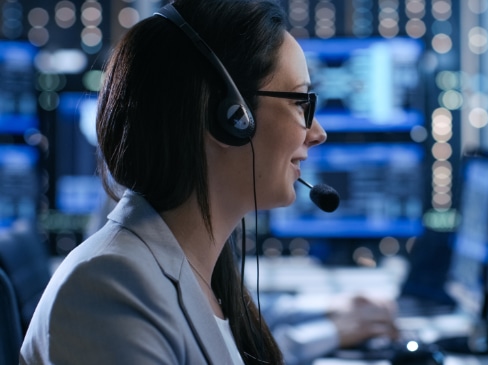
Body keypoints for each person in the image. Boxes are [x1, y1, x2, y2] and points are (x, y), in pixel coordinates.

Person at [18, 0, 392, 363]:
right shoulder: (108, 289)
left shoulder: (204, 271)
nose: (318, 133)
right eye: (299, 103)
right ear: (232, 117)